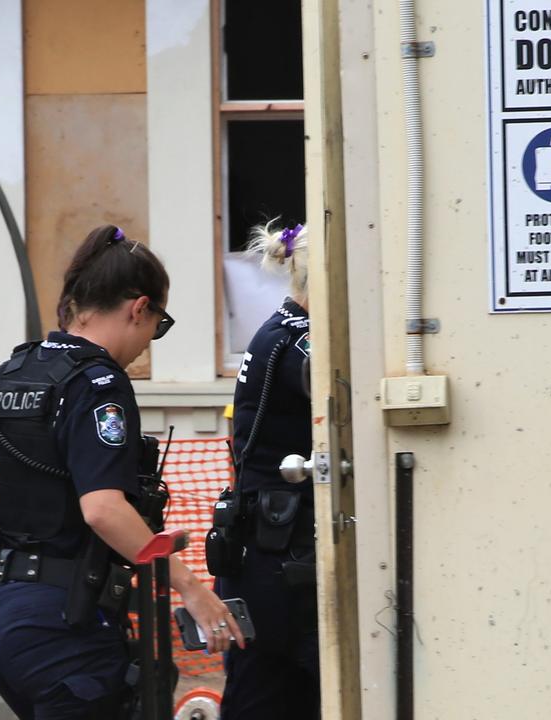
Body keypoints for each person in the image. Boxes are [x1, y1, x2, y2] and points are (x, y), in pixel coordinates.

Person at [0, 224, 245, 718]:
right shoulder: (99, 383)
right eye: (156, 326)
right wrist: (190, 587)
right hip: (63, 624)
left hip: (4, 616)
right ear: (138, 308)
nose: (148, 343)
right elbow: (102, 509)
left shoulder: (19, 370)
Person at [217, 221, 319, 719]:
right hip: (278, 555)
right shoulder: (298, 342)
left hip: (268, 547)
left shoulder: (279, 330)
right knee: (269, 696)